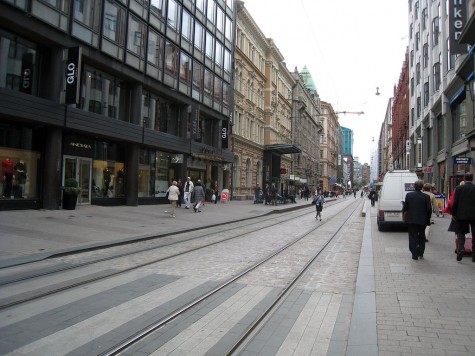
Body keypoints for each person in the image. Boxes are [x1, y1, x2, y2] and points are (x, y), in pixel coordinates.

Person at [402, 180, 432, 260]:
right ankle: (421, 252)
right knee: (422, 236)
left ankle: (414, 254)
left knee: (412, 236)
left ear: (414, 187)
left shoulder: (409, 195)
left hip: (411, 220)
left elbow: (405, 208)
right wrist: (428, 219)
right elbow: (429, 209)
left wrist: (404, 216)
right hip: (422, 221)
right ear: (422, 187)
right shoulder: (426, 197)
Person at [452, 172, 475, 262]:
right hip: (474, 216)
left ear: (464, 178)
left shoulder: (459, 188)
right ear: (472, 178)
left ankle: (461, 249)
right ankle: (474, 256)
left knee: (461, 233)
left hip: (461, 215)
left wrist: (454, 214)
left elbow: (455, 202)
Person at [443, 181, 468, 260]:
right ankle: (461, 247)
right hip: (468, 215)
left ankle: (459, 248)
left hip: (458, 215)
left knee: (458, 233)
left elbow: (451, 202)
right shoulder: (469, 192)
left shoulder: (457, 191)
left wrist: (453, 214)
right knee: (463, 232)